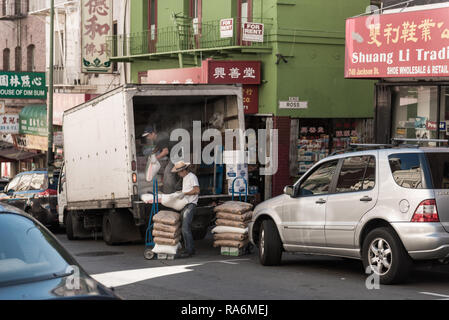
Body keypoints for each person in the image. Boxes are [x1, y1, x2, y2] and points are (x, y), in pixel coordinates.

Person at [171, 161, 200, 258]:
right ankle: (190, 249)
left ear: (183, 170)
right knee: (184, 229)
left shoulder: (192, 177)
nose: (178, 174)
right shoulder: (185, 178)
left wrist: (184, 193)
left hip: (191, 205)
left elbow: (196, 190)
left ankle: (189, 250)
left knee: (185, 228)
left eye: (179, 172)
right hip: (186, 204)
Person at [141, 125, 178, 193]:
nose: (148, 138)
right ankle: (172, 189)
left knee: (168, 172)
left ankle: (169, 192)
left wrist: (155, 158)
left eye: (148, 135)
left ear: (153, 133)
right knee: (170, 173)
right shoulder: (158, 138)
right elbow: (157, 147)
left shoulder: (160, 139)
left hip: (178, 156)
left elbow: (165, 151)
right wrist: (151, 154)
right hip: (174, 156)